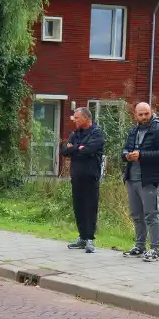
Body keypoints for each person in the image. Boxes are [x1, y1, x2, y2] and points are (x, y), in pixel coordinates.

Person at [121, 102, 159, 263]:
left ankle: (155, 249)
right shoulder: (133, 130)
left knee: (151, 214)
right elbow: (124, 149)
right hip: (132, 177)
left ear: (151, 112)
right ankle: (139, 246)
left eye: (146, 114)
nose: (143, 117)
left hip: (149, 178)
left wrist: (141, 155)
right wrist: (126, 155)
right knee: (136, 214)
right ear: (135, 115)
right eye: (140, 114)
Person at [60, 107, 105, 253]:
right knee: (78, 206)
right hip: (76, 175)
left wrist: (76, 149)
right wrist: (77, 148)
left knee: (90, 207)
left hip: (91, 176)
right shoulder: (75, 134)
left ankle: (90, 239)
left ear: (86, 118)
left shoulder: (97, 133)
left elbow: (90, 149)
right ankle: (82, 237)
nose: (74, 120)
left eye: (77, 118)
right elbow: (64, 151)